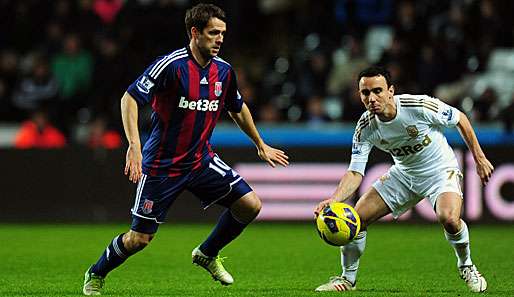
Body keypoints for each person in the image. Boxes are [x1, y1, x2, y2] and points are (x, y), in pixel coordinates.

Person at [82, 4, 289, 295]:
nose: (220, 39)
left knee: (250, 205)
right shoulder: (171, 65)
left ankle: (206, 253)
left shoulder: (224, 71)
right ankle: (96, 272)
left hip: (200, 161)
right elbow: (130, 98)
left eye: (223, 34)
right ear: (195, 33)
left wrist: (260, 144)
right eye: (213, 33)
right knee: (138, 239)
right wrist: (134, 145)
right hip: (160, 166)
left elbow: (237, 107)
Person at [314, 66, 493, 293]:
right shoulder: (365, 126)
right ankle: (347, 280)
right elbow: (355, 172)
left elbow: (460, 119)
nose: (371, 98)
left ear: (391, 90)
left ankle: (466, 265)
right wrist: (334, 200)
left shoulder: (417, 106)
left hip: (439, 171)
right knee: (356, 219)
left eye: (377, 91)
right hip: (404, 174)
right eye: (365, 93)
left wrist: (479, 158)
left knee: (448, 218)